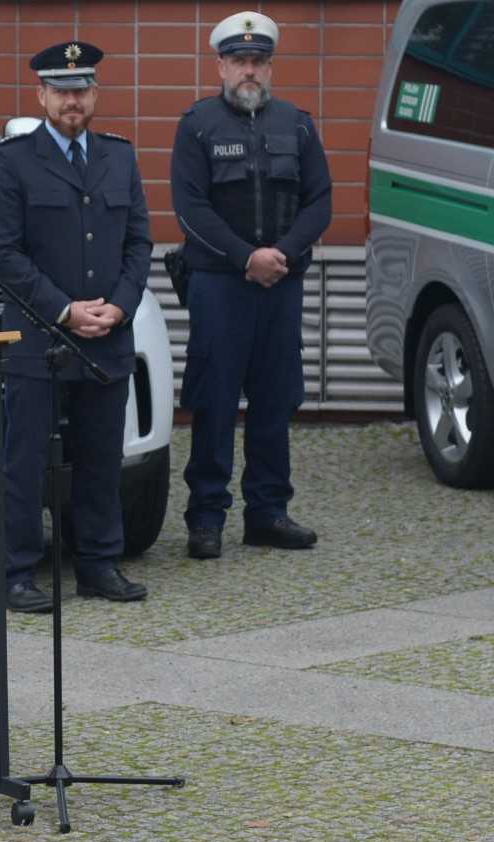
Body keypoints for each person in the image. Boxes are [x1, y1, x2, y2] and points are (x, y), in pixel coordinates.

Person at [0, 41, 153, 612]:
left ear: (95, 94)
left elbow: (139, 243)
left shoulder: (119, 157)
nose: (71, 100)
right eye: (60, 90)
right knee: (25, 461)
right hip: (38, 338)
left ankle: (99, 564)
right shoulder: (13, 161)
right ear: (41, 96)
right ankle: (16, 572)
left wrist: (120, 307)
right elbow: (4, 254)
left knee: (101, 457)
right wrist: (64, 310)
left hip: (107, 336)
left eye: (80, 89)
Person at [170, 11, 331, 560]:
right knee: (214, 400)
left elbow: (320, 201)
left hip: (280, 284)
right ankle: (206, 517)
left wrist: (280, 255)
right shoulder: (197, 125)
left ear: (270, 67)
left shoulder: (298, 125)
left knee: (275, 398)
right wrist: (246, 258)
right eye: (239, 60)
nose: (249, 70)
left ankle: (267, 512)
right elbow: (189, 208)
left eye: (258, 61)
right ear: (220, 66)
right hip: (219, 285)